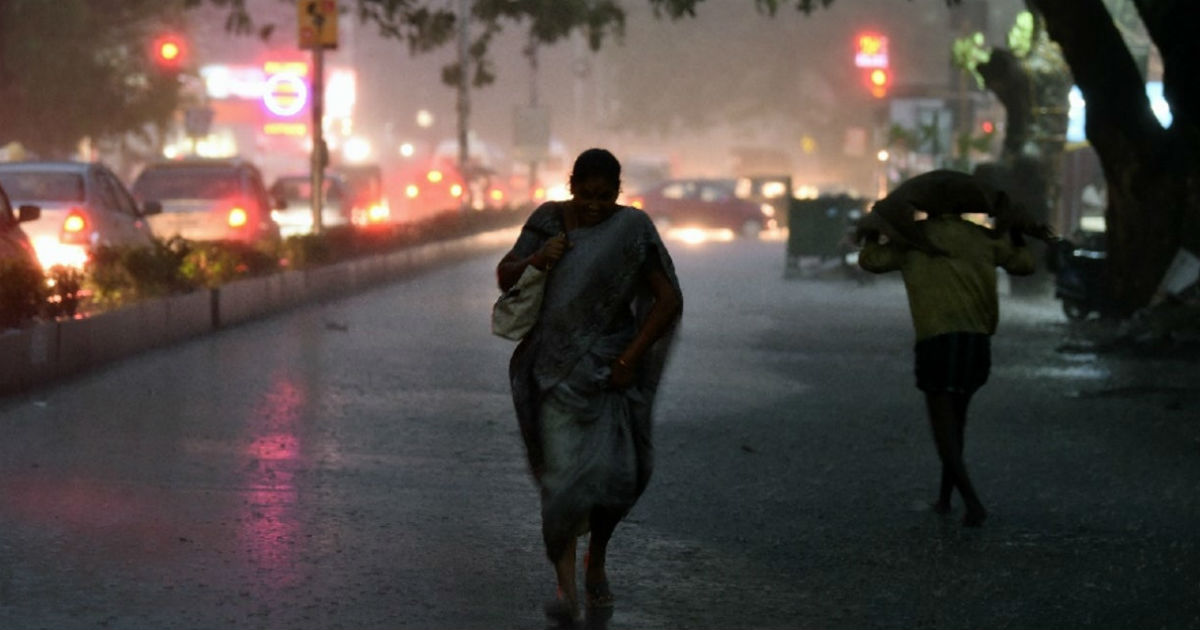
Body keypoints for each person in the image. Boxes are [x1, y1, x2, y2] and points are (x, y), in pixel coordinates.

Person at [496, 148, 683, 623]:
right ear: (571, 184)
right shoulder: (548, 220)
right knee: (560, 485)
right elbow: (505, 276)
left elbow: (667, 299)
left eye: (605, 195)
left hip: (610, 375)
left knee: (617, 482)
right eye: (586, 193)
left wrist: (629, 359)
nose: (595, 204)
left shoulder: (633, 230)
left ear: (618, 191)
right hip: (553, 375)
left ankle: (595, 558)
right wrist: (538, 258)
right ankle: (567, 593)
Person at [855, 177, 1037, 527]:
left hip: (937, 341)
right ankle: (944, 498)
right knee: (958, 423)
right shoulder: (981, 238)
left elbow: (871, 261)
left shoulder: (914, 242)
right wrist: (1012, 231)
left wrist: (874, 230)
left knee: (943, 429)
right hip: (976, 342)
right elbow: (1024, 265)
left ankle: (972, 502)